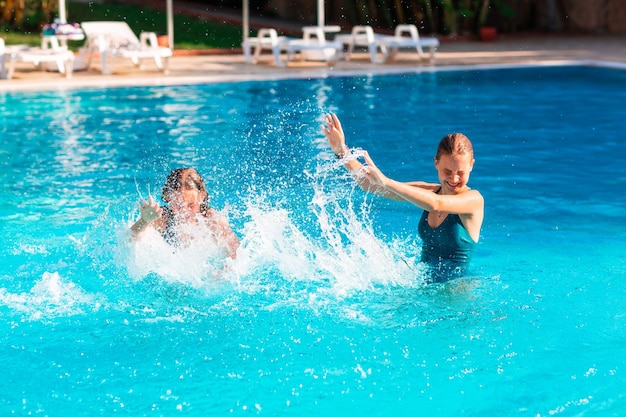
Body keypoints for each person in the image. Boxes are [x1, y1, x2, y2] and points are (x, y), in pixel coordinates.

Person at [322, 113, 484, 281]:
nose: (454, 178)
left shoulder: (474, 201)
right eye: (447, 171)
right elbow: (369, 185)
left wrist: (386, 181)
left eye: (461, 173)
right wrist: (341, 151)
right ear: (436, 163)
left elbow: (436, 204)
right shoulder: (427, 192)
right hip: (422, 288)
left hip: (455, 295)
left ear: (471, 165)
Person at [131, 168, 239, 260]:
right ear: (169, 199)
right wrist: (144, 221)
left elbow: (236, 253)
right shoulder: (163, 218)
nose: (184, 212)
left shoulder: (212, 219)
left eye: (191, 205)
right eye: (178, 205)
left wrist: (220, 276)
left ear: (201, 197)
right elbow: (131, 239)